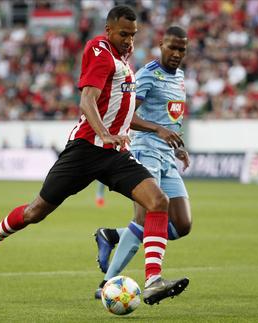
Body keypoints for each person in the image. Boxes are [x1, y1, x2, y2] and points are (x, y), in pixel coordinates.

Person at [0, 6, 189, 306]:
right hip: (85, 150)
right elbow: (87, 100)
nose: (129, 40)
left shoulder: (125, 61)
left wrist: (117, 135)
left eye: (133, 35)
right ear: (108, 30)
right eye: (123, 34)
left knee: (157, 201)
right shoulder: (98, 49)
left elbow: (119, 108)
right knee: (35, 212)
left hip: (114, 154)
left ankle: (152, 281)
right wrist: (105, 132)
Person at [94, 26, 192, 299]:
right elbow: (128, 116)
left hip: (166, 155)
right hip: (146, 150)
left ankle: (112, 235)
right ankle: (108, 284)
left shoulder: (181, 77)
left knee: (182, 224)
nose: (176, 54)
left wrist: (177, 146)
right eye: (172, 47)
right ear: (161, 45)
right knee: (144, 216)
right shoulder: (148, 74)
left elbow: (171, 117)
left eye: (181, 49)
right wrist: (158, 131)